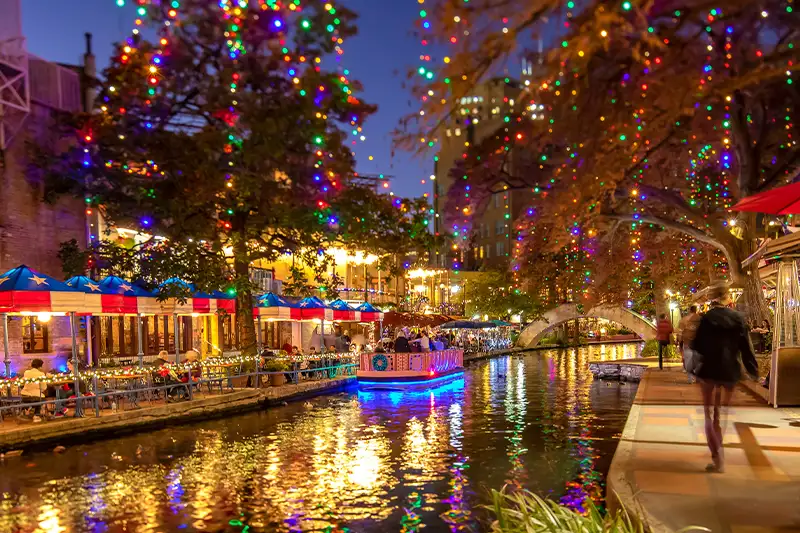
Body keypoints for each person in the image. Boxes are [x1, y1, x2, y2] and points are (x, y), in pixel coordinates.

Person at [690, 288, 758, 473]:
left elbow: (697, 345)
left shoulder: (706, 318)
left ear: (713, 299)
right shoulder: (737, 318)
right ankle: (721, 452)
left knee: (708, 413)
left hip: (710, 369)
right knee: (721, 415)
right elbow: (746, 346)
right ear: (728, 299)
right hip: (730, 370)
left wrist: (694, 367)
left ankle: (717, 458)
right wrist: (753, 370)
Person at [677, 305, 702, 382]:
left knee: (688, 359)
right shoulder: (700, 319)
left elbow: (680, 332)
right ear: (696, 310)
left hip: (687, 342)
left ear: (689, 310)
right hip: (698, 343)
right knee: (698, 360)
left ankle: (690, 378)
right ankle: (698, 377)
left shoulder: (683, 320)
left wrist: (679, 341)